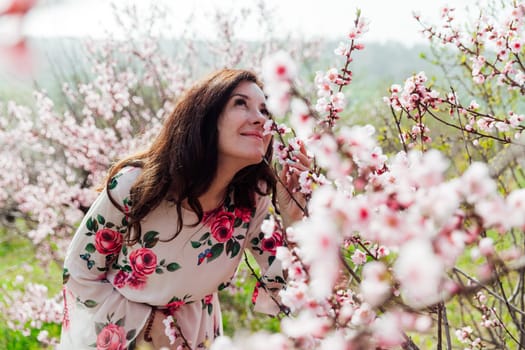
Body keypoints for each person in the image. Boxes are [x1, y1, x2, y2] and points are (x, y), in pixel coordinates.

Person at [58, 68, 309, 349]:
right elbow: (79, 273)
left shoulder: (251, 199)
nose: (260, 119)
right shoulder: (135, 185)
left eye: (265, 111)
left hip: (197, 334)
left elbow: (279, 291)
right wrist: (149, 325)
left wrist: (293, 218)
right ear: (206, 117)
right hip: (122, 334)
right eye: (241, 103)